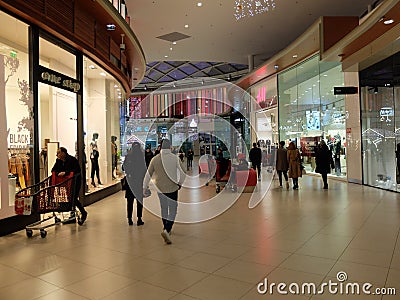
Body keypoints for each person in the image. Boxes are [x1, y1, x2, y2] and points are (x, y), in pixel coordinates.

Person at [143, 139, 185, 244]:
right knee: (173, 210)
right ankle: (167, 229)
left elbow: (148, 174)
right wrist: (180, 183)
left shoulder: (155, 159)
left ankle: (165, 228)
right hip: (173, 188)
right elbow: (183, 172)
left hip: (160, 189)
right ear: (170, 147)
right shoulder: (175, 158)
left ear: (160, 147)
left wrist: (144, 187)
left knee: (164, 209)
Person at [51, 147, 88, 225]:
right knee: (70, 198)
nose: (57, 155)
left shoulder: (72, 160)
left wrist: (65, 173)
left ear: (63, 153)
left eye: (59, 153)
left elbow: (77, 170)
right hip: (65, 183)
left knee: (73, 198)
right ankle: (73, 215)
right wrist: (58, 173)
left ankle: (83, 213)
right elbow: (53, 170)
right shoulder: (58, 161)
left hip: (75, 182)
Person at [123, 142, 146, 226]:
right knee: (139, 201)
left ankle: (129, 219)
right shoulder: (141, 157)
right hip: (139, 182)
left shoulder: (128, 156)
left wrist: (129, 172)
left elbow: (124, 167)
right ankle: (139, 219)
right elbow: (144, 170)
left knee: (130, 201)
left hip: (130, 181)